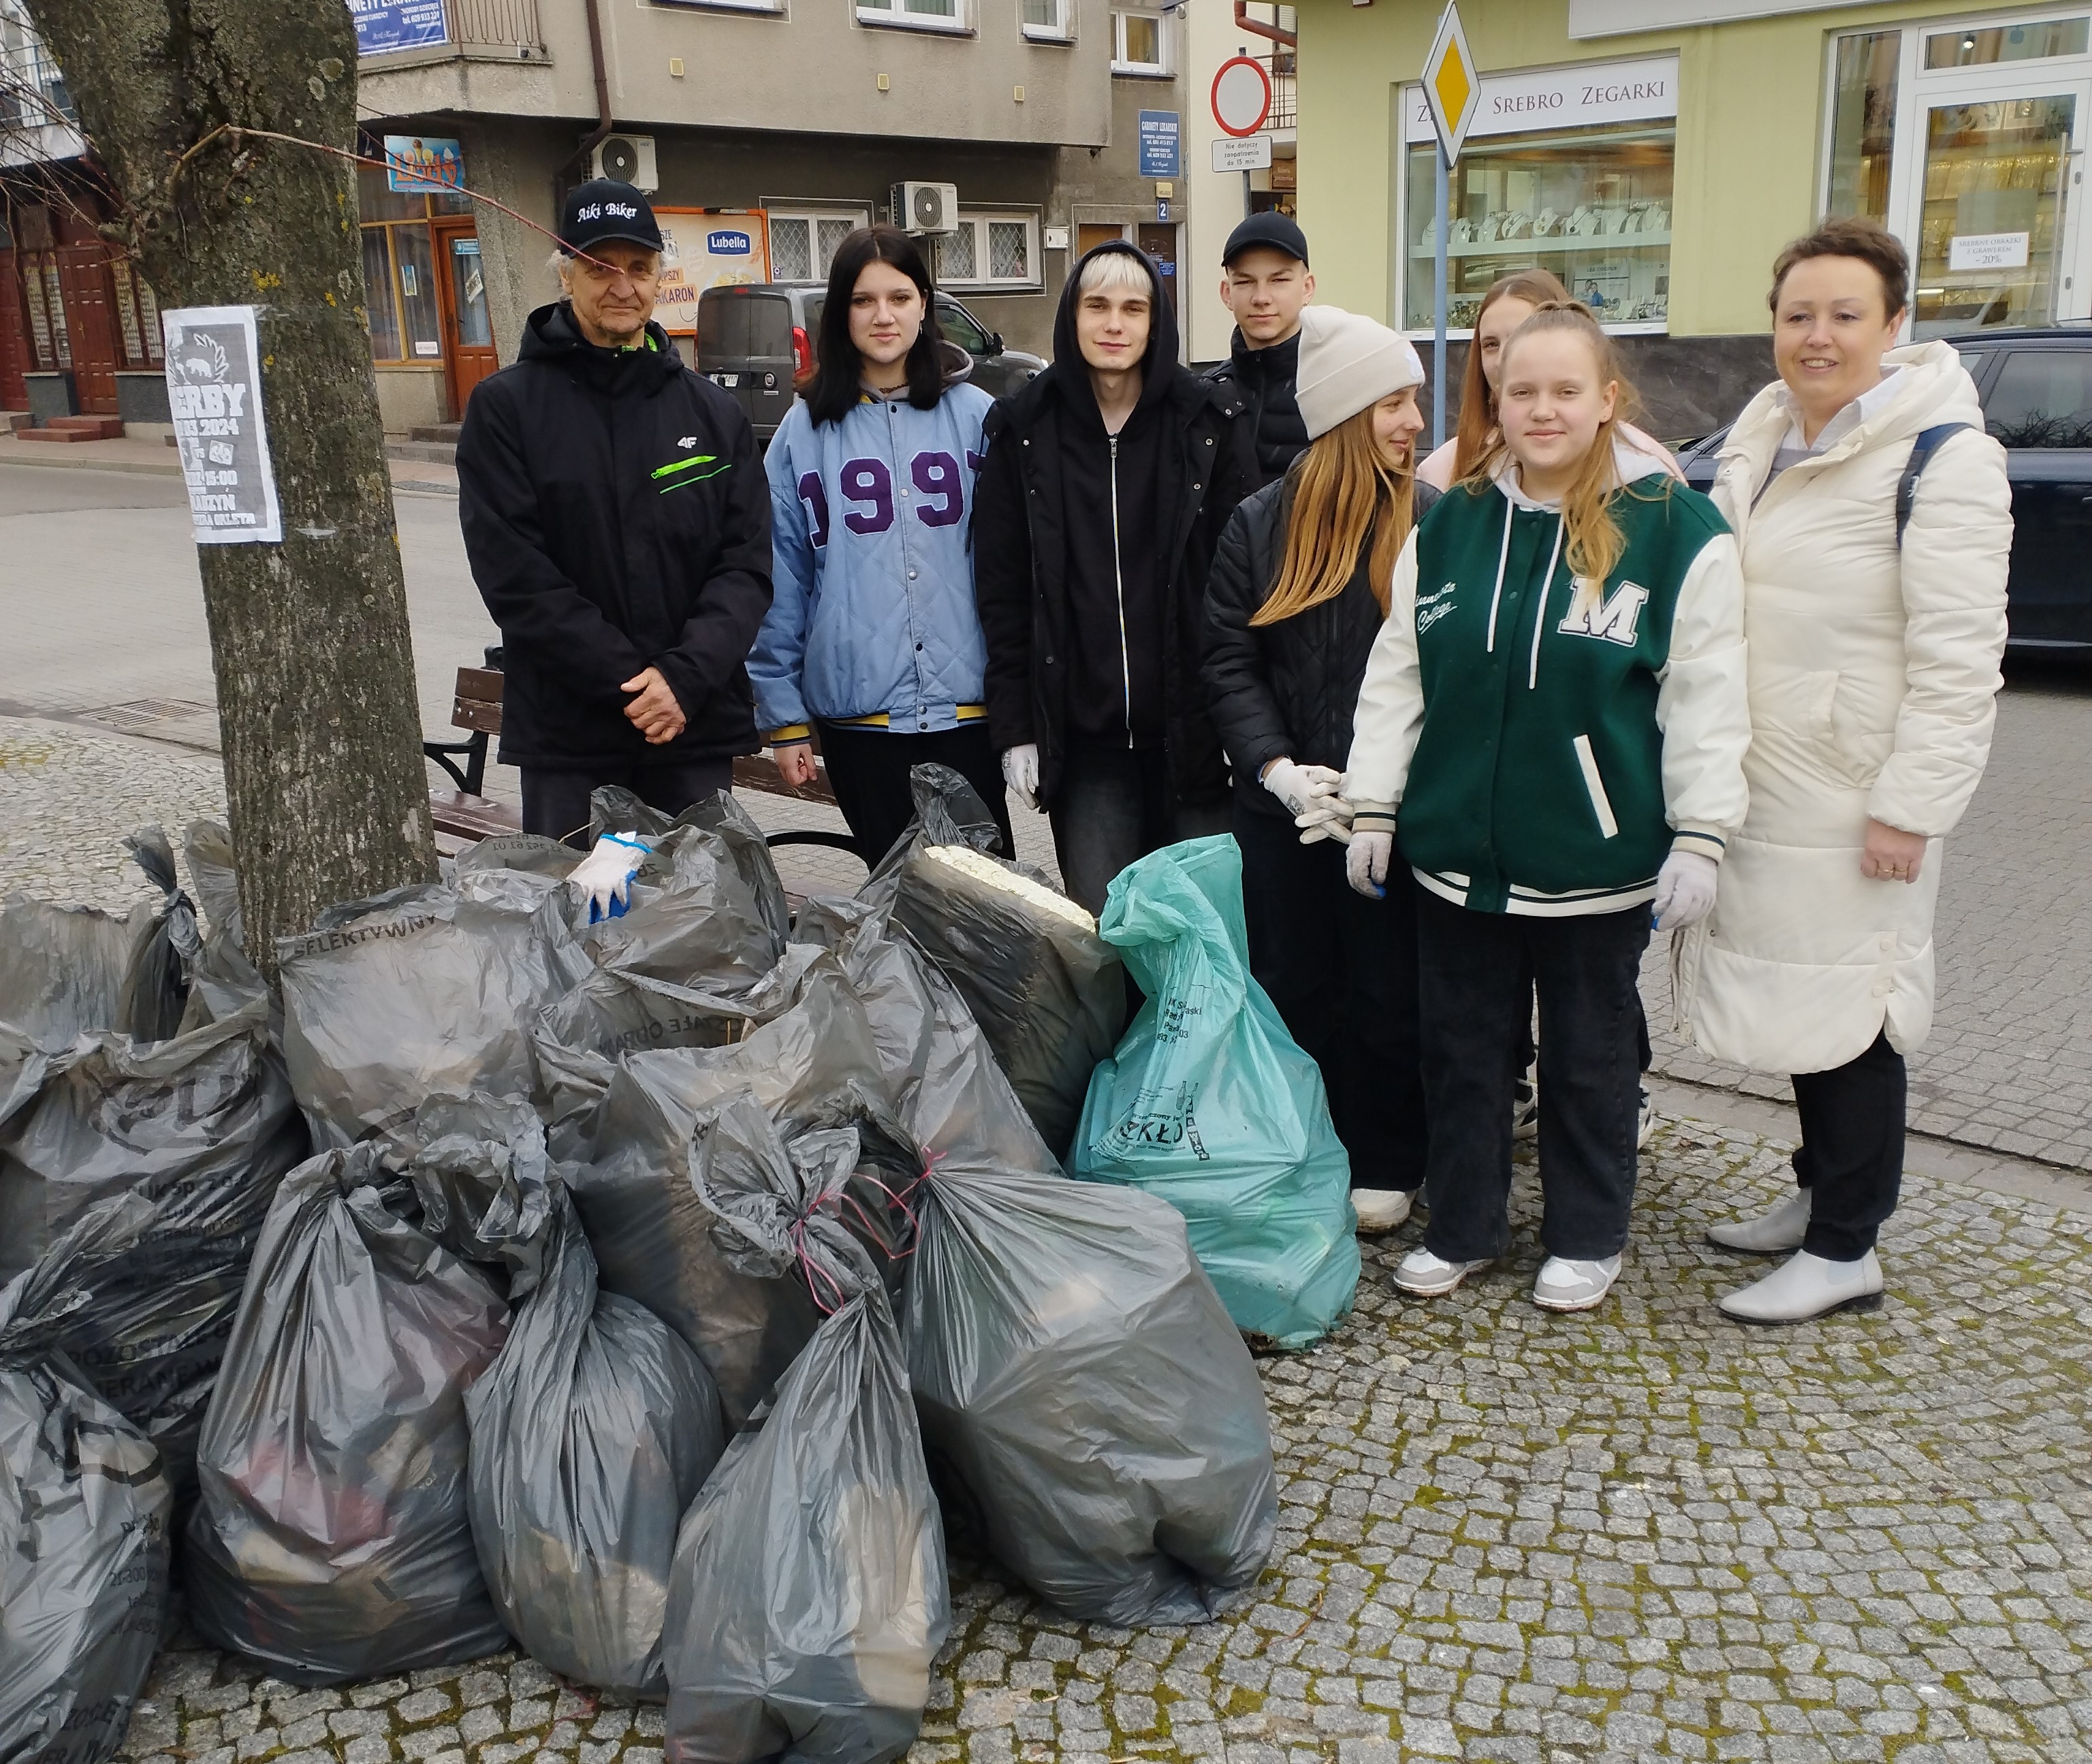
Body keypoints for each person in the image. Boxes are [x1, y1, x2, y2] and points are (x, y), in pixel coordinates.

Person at [1339, 302, 1750, 1313]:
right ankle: (1466, 1224)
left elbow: (1707, 693)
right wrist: (1374, 806)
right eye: (1521, 390)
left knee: (1588, 1060)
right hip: (1456, 860)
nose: (1542, 409)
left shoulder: (1674, 532)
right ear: (1496, 400)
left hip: (1594, 861)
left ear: (1607, 401)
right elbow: (1400, 676)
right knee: (1464, 1053)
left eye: (1566, 389)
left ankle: (1587, 1231)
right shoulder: (1455, 524)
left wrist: (1702, 833)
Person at [1677, 217, 2012, 1324]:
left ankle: (1846, 1246)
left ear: (1895, 325)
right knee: (1796, 999)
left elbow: (1961, 659)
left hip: (1859, 792)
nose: (1816, 337)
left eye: (1843, 315)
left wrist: (1912, 807)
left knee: (1858, 1010)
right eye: (1797, 315)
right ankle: (1816, 1195)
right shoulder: (1763, 431)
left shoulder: (1941, 457)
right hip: (1769, 778)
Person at [1204, 306, 1435, 1236]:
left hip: (1394, 814)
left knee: (1389, 992)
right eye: (1393, 402)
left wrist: (1385, 787)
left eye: (1417, 398)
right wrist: (1277, 768)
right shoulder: (1260, 525)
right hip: (1286, 814)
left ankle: (1388, 1156)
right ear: (1343, 415)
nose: (1415, 420)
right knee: (1297, 988)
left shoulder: (1435, 519)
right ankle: (1309, 1149)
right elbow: (1228, 657)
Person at [456, 179, 771, 844]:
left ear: (660, 277)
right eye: (600, 266)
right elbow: (516, 578)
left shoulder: (712, 415)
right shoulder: (506, 410)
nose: (621, 285)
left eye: (638, 266)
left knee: (699, 938)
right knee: (584, 936)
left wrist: (682, 680)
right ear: (565, 275)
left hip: (690, 729)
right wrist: (635, 685)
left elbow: (744, 569)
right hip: (571, 740)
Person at [972, 240, 1253, 914]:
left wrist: (1249, 731)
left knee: (1201, 940)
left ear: (1156, 322)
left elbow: (1242, 587)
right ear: (1072, 317)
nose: (1115, 324)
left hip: (1195, 739)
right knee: (1109, 937)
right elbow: (1005, 591)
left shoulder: (1207, 422)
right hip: (1087, 746)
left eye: (1134, 307)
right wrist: (1016, 727)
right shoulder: (1024, 428)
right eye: (1097, 305)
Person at [750, 224, 1009, 868]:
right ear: (840, 312)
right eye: (863, 300)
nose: (883, 315)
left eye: (899, 296)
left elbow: (1016, 569)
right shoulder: (803, 429)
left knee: (991, 911)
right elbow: (782, 573)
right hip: (859, 718)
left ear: (925, 303)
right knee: (898, 901)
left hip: (970, 712)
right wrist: (783, 716)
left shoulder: (979, 415)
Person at [1418, 268, 1679, 492]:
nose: (1503, 359)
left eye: (1523, 335)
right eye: (1491, 344)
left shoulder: (1643, 470)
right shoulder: (1442, 469)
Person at [1205, 212, 1315, 490]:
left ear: (1307, 288)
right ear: (1226, 293)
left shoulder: (1339, 393)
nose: (1261, 298)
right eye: (1245, 282)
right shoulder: (1203, 398)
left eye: (1279, 280)